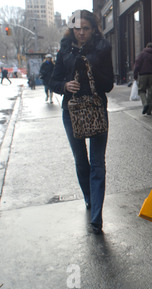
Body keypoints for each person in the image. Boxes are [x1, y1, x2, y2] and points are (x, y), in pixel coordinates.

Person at [49, 9, 114, 235]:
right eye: (77, 28)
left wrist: (92, 69)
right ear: (72, 29)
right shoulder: (64, 50)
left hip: (96, 109)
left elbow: (109, 84)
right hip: (72, 111)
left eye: (86, 28)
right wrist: (66, 86)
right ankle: (90, 197)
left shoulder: (103, 49)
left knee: (98, 163)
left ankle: (96, 215)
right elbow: (53, 81)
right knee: (81, 161)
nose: (81, 33)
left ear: (93, 28)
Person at [134, 43, 152, 115]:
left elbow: (137, 65)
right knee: (151, 93)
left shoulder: (141, 54)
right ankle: (149, 111)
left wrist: (135, 75)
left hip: (142, 75)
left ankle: (145, 104)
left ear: (146, 47)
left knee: (141, 91)